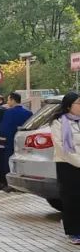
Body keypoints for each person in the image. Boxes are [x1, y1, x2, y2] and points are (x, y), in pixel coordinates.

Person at [50, 92, 80, 244]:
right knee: (71, 199)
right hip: (67, 165)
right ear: (69, 106)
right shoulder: (59, 122)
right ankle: (73, 231)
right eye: (78, 104)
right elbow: (62, 147)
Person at [0, 92, 32, 191]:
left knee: (8, 161)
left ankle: (10, 184)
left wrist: (1, 140)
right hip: (24, 141)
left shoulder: (9, 112)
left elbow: (4, 128)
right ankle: (23, 185)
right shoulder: (28, 113)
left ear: (12, 100)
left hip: (9, 141)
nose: (7, 102)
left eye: (8, 100)